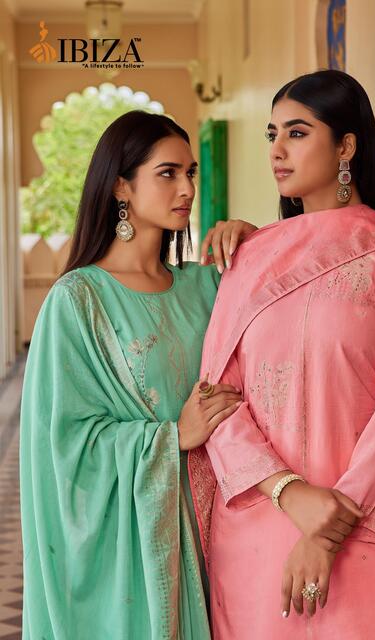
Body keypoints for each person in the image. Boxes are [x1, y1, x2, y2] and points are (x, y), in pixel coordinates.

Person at [192, 70, 375, 639]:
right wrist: (288, 492)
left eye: (297, 133)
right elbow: (216, 399)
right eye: (272, 134)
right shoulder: (248, 257)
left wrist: (327, 532)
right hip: (259, 535)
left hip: (367, 533)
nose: (277, 150)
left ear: (346, 146)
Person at [20, 110, 257, 639]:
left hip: (220, 528)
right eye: (167, 173)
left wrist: (255, 245)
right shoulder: (78, 300)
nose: (186, 188)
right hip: (139, 549)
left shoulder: (207, 287)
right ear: (121, 186)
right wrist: (173, 436)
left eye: (190, 172)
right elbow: (65, 445)